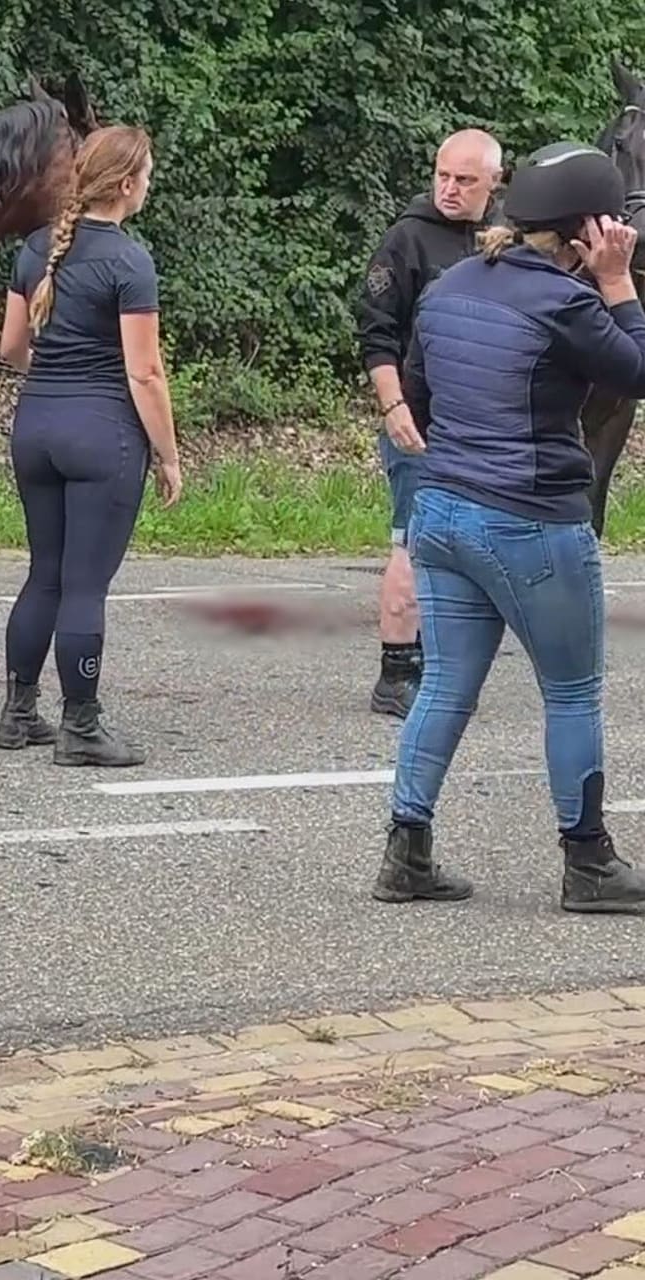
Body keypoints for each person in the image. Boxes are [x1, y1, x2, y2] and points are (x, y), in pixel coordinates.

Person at [373, 141, 645, 915]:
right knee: (572, 692)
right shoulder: (570, 302)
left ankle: (406, 852)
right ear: (593, 228)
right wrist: (618, 282)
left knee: (445, 686)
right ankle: (588, 862)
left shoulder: (452, 284)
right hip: (532, 522)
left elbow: (420, 398)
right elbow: (639, 371)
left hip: (442, 513)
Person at [0, 124, 183, 767]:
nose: (149, 184)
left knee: (43, 573)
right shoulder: (130, 262)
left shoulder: (36, 249)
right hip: (102, 436)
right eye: (147, 174)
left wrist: (54, 378)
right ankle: (81, 725)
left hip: (35, 427)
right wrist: (169, 455)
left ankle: (19, 713)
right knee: (84, 586)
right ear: (127, 184)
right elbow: (144, 373)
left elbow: (11, 348)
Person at [355, 128, 504, 718]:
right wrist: (394, 407)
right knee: (411, 541)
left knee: (472, 548)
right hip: (419, 419)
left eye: (465, 180)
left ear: (494, 183)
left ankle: (444, 663)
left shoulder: (505, 238)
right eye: (443, 176)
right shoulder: (407, 239)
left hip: (484, 425)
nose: (449, 188)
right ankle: (396, 673)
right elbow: (376, 333)